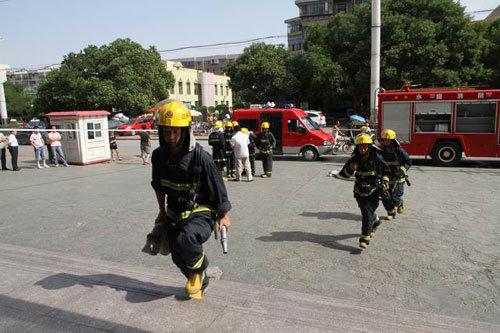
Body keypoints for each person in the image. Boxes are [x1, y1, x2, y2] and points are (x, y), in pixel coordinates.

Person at [144, 100, 231, 300]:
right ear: (161, 130)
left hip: (201, 210)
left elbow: (218, 186)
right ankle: (201, 278)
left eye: (176, 131)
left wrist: (224, 214)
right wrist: (162, 212)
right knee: (176, 252)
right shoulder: (158, 156)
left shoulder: (201, 157)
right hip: (175, 211)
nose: (172, 137)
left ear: (185, 131)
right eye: (167, 131)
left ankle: (199, 270)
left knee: (186, 239)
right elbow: (158, 186)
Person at [335, 134, 391, 249]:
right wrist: (350, 168)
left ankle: (365, 238)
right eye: (360, 147)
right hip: (359, 192)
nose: (362, 149)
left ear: (369, 146)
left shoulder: (377, 158)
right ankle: (375, 221)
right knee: (366, 212)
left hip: (374, 191)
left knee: (367, 212)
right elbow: (343, 174)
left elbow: (386, 171)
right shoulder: (354, 158)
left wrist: (385, 181)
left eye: (365, 147)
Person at [378, 129, 411, 220]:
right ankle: (391, 212)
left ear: (393, 140)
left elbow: (408, 162)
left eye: (389, 140)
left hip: (398, 178)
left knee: (394, 196)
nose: (387, 141)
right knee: (385, 196)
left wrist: (402, 170)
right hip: (386, 177)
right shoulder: (381, 151)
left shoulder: (399, 150)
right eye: (385, 140)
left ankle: (399, 203)